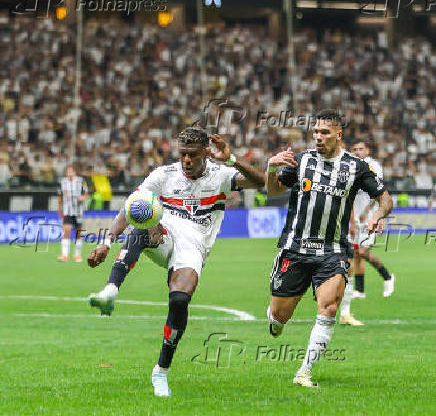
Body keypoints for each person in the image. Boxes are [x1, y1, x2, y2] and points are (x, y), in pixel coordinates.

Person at [86, 127, 264, 398]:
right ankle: (110, 290)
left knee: (180, 301)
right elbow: (131, 206)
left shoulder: (221, 175)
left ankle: (161, 371)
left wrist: (232, 159)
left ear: (206, 152)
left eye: (192, 155)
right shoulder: (164, 175)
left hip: (193, 246)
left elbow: (260, 181)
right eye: (182, 154)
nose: (186, 161)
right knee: (143, 220)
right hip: (165, 233)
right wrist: (107, 241)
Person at [265, 109, 393, 388]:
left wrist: (378, 215)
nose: (318, 137)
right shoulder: (301, 160)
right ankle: (275, 320)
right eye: (315, 133)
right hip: (295, 248)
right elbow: (273, 191)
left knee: (329, 307)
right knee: (280, 316)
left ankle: (304, 372)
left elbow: (385, 198)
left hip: (333, 250)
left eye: (324, 132)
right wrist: (272, 167)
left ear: (338, 134)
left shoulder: (356, 167)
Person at [350, 141, 395, 299]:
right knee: (356, 253)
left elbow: (378, 192)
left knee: (362, 251)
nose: (357, 151)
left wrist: (370, 212)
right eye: (354, 149)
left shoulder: (373, 166)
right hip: (354, 218)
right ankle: (360, 290)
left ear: (367, 150)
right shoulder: (351, 166)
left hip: (370, 217)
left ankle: (387, 276)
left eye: (361, 148)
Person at [57, 165, 89, 262]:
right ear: (66, 173)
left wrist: (82, 197)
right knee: (66, 231)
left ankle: (77, 255)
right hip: (67, 211)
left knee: (78, 233)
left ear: (75, 172)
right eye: (68, 172)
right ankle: (64, 255)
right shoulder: (62, 182)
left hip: (79, 211)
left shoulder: (81, 181)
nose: (70, 173)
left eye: (71, 171)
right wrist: (60, 209)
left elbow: (86, 193)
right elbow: (59, 196)